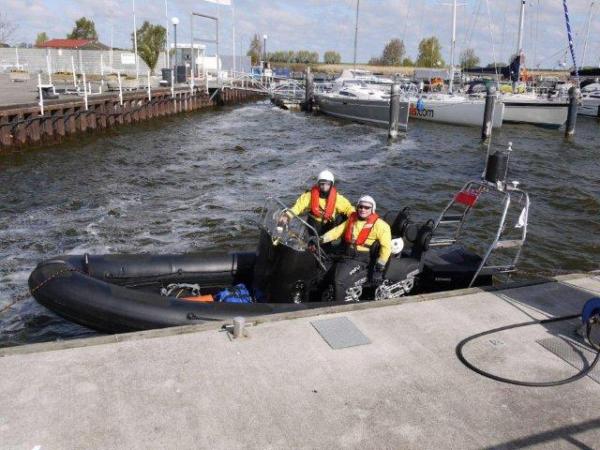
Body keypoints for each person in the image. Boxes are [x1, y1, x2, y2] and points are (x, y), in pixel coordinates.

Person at [317, 195, 392, 302]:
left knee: (339, 280)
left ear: (372, 209)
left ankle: (339, 306)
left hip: (362, 259)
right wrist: (320, 239)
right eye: (361, 207)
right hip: (347, 253)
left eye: (367, 207)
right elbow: (337, 231)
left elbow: (386, 248)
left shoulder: (381, 225)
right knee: (323, 267)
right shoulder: (352, 219)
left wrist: (379, 268)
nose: (363, 209)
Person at [280, 170, 354, 235]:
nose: (324, 187)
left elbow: (348, 208)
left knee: (344, 217)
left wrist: (355, 217)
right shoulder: (309, 196)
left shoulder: (337, 199)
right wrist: (287, 216)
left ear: (332, 185)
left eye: (328, 184)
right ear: (318, 184)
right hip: (314, 225)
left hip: (329, 225)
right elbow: (297, 207)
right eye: (322, 184)